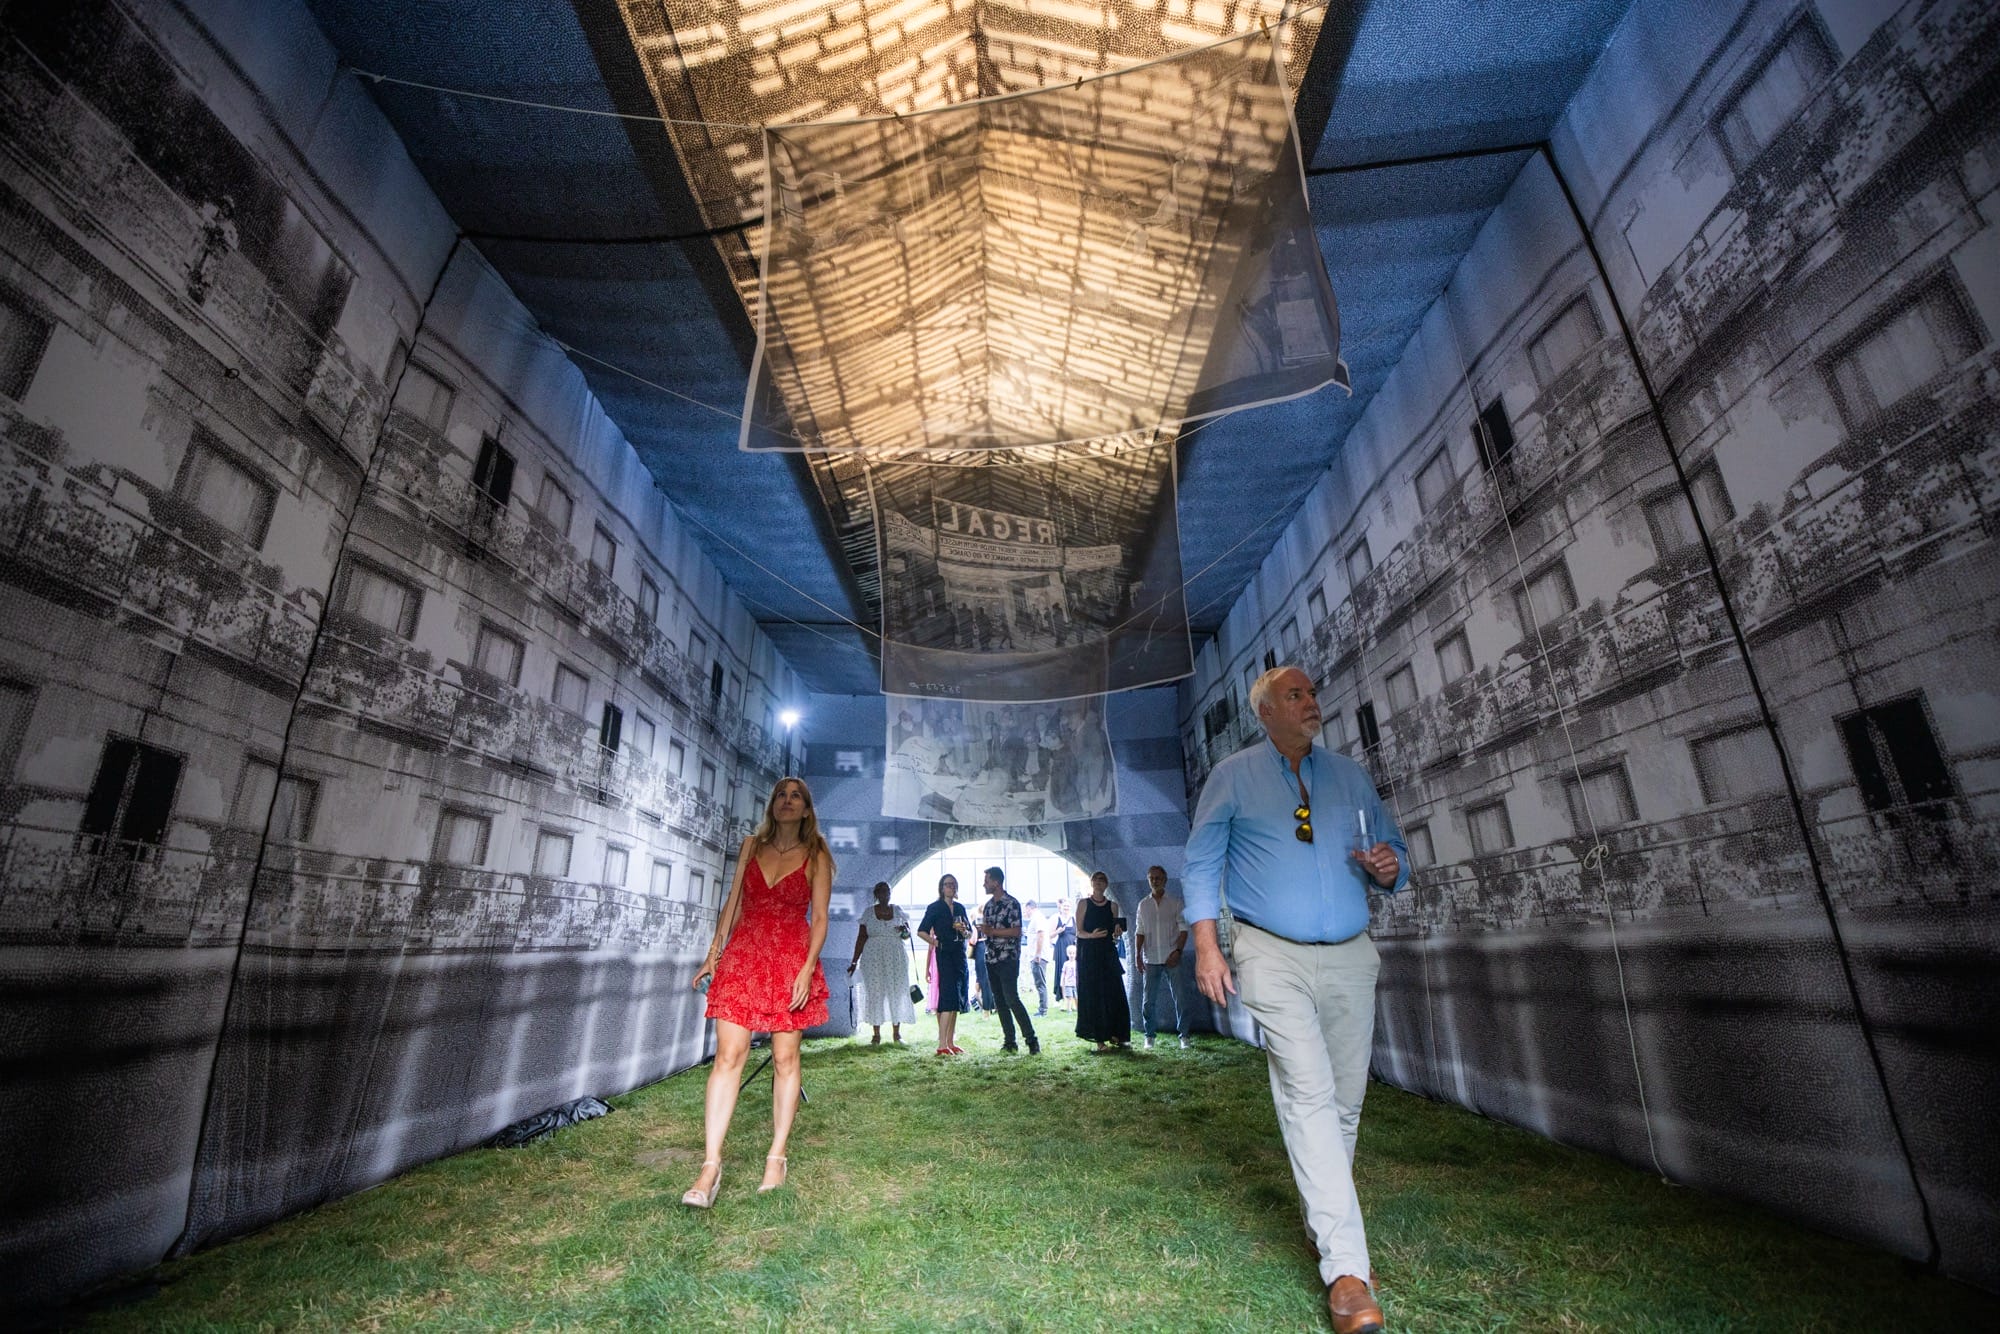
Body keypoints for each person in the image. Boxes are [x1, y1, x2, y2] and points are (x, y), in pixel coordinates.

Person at [1185, 666, 1407, 1334]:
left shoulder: (1349, 775)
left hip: (1349, 951)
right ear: (1266, 713)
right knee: (1307, 1094)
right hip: (1268, 953)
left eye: (1311, 693)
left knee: (1344, 1103)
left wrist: (1390, 866)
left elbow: (1392, 845)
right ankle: (1347, 1273)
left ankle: (1324, 1221)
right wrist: (1207, 946)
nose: (1312, 702)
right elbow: (1201, 863)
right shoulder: (1232, 775)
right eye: (1296, 695)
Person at [686, 777, 835, 1206]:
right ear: (772, 805)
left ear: (806, 809)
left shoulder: (816, 853)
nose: (786, 802)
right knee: (728, 1056)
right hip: (744, 955)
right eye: (780, 796)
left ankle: (777, 1156)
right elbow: (732, 904)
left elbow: (821, 917)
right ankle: (710, 1166)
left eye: (795, 797)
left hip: (790, 958)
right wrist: (714, 953)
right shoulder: (751, 846)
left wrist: (807, 968)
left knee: (785, 1058)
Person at [977, 866, 1039, 1054]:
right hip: (991, 957)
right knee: (999, 1001)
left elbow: (1016, 931)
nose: (984, 884)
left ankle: (1031, 1040)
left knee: (1012, 998)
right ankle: (1009, 1041)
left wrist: (992, 931)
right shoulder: (988, 906)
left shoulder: (1012, 903)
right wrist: (984, 931)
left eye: (987, 880)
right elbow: (987, 930)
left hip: (1008, 958)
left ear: (996, 882)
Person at [845, 880, 915, 1044]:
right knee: (875, 992)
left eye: (888, 892)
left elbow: (907, 936)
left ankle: (897, 1034)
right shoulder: (869, 913)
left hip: (896, 956)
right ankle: (876, 1035)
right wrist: (854, 962)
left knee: (896, 991)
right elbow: (861, 937)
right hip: (873, 957)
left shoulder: (898, 911)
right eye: (882, 892)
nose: (885, 895)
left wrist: (904, 930)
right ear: (876, 895)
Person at [1073, 871, 1131, 1051]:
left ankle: (1116, 1033)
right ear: (1091, 883)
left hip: (1107, 952)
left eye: (1102, 880)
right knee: (1094, 995)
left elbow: (1115, 932)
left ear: (1106, 884)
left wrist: (1116, 933)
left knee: (1114, 992)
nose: (1099, 883)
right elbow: (1078, 931)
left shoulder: (1113, 906)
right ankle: (1099, 1039)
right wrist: (1092, 936)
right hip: (1089, 953)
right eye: (1096, 880)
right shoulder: (1083, 903)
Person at [1135, 865, 1190, 1050]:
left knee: (1181, 999)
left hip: (1172, 957)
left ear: (1165, 879)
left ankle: (1184, 1036)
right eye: (1151, 878)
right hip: (1150, 959)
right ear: (1148, 880)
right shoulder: (1143, 905)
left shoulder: (1175, 903)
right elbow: (1139, 931)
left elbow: (1184, 929)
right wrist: (1137, 955)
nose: (1155, 881)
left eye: (1158, 877)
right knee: (1148, 1002)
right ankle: (1149, 1036)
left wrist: (1178, 952)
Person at [917, 873, 973, 1055]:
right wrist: (935, 943)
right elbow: (921, 931)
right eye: (948, 884)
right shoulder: (934, 908)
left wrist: (964, 930)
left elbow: (969, 934)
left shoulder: (960, 908)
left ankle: (950, 1041)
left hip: (959, 954)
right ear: (942, 888)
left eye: (954, 885)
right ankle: (942, 1044)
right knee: (948, 997)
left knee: (957, 998)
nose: (952, 887)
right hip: (944, 953)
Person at [1028, 902, 1052, 1017]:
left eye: (1026, 910)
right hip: (1037, 955)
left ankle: (1043, 1010)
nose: (1025, 912)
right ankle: (1042, 1008)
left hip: (1038, 956)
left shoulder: (1037, 918)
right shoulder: (1038, 918)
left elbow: (1040, 934)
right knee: (1039, 983)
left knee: (1040, 983)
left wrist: (1037, 954)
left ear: (1030, 908)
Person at [1052, 899, 1076, 1003]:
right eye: (1064, 906)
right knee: (1062, 969)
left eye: (1068, 906)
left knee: (1074, 969)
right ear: (1061, 907)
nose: (1066, 908)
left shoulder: (1074, 918)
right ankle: (1061, 996)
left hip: (1073, 947)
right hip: (1061, 947)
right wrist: (1058, 931)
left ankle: (1074, 995)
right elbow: (1049, 935)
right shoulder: (1056, 918)